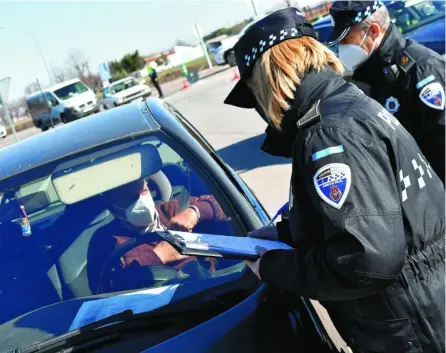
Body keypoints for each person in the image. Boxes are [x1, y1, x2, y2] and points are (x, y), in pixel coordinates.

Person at [224, 7, 445, 353]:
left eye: (253, 92)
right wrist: (288, 233)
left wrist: (274, 266)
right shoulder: (346, 104)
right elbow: (374, 213)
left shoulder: (329, 133)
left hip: (413, 326)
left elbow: (367, 259)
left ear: (269, 78)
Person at [326, 0, 445, 183]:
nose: (342, 49)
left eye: (347, 40)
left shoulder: (421, 69)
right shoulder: (371, 76)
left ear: (373, 31)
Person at [87, 177, 227, 293]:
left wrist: (195, 212)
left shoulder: (172, 209)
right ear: (112, 206)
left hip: (213, 286)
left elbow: (225, 205)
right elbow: (107, 289)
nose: (141, 201)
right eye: (130, 199)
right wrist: (159, 255)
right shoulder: (105, 241)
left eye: (143, 191)